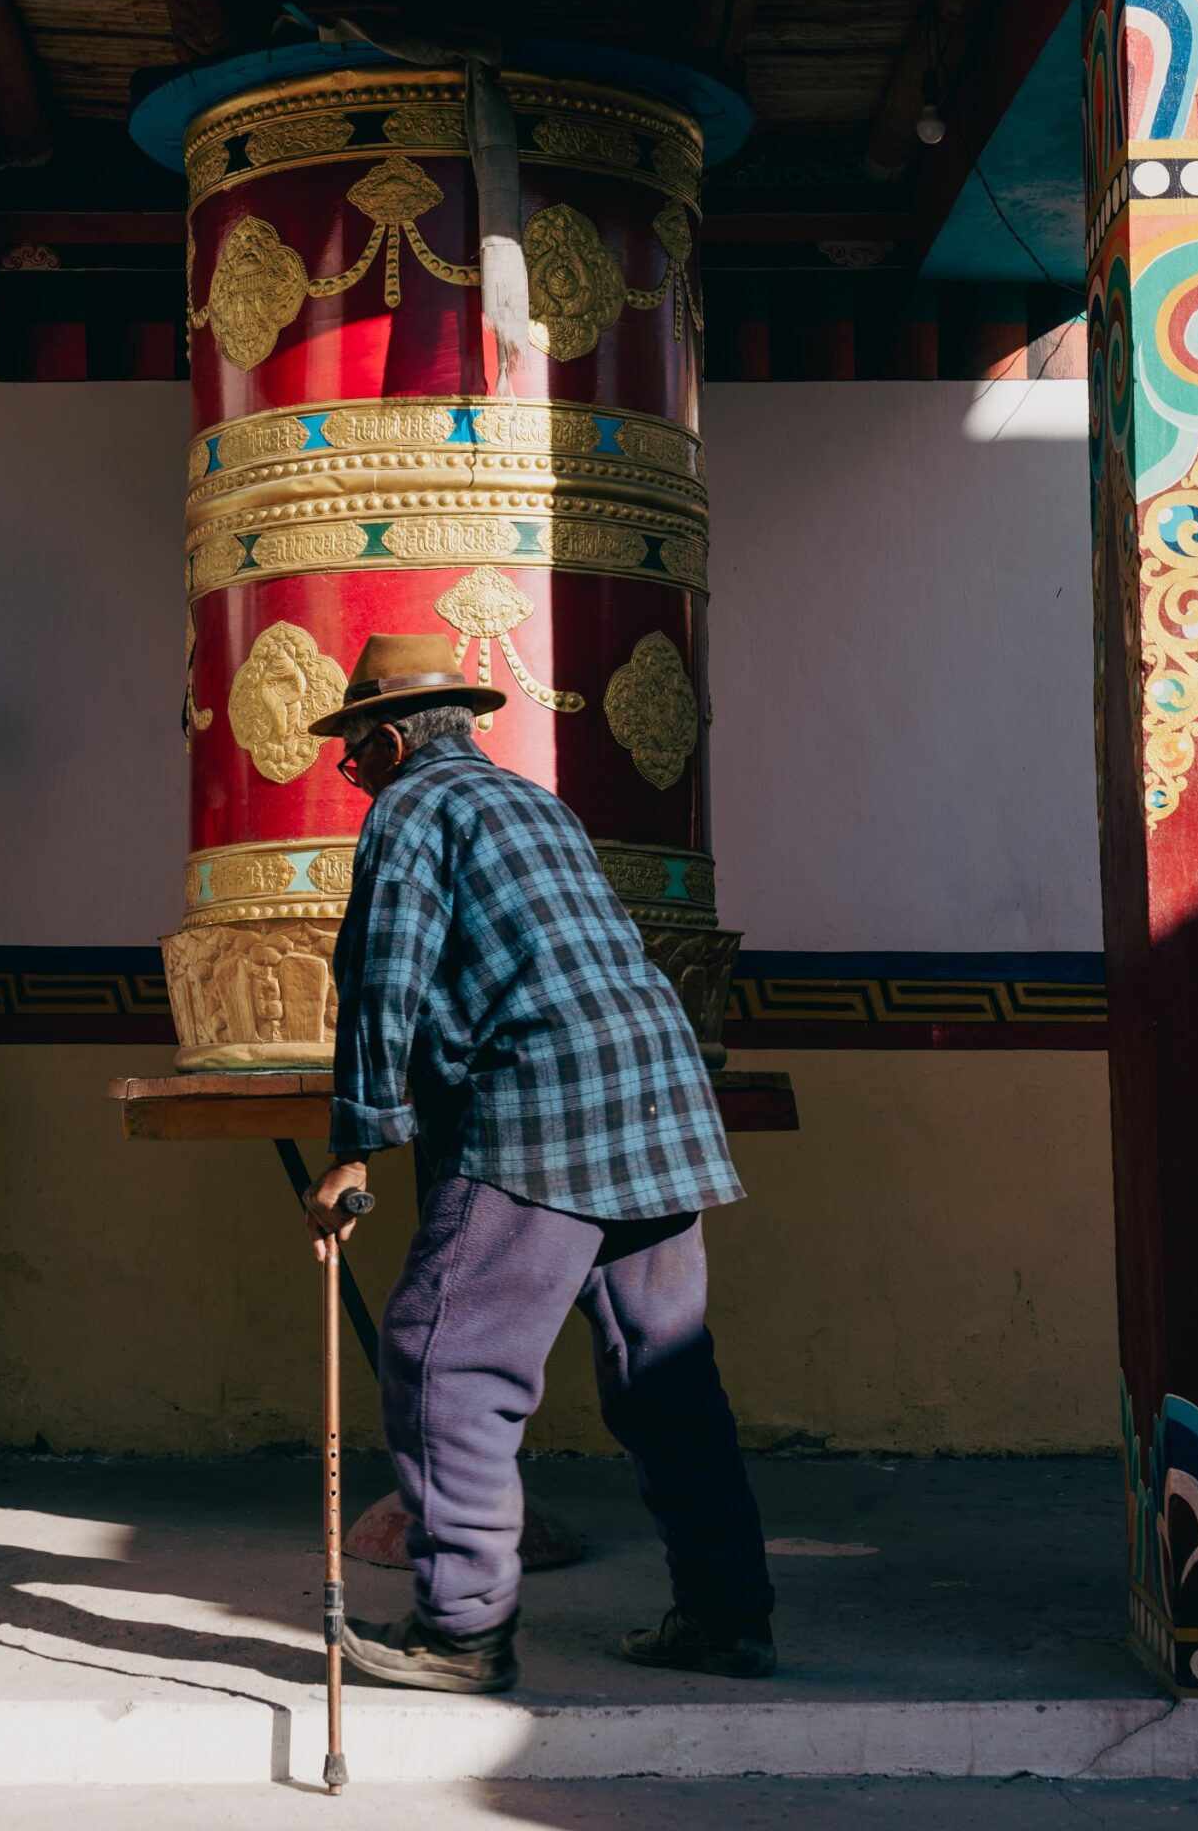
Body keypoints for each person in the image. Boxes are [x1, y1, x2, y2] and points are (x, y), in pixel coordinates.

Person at [303, 631, 775, 1697]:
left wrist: (353, 1145)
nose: (354, 775)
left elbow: (387, 976)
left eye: (353, 753)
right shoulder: (531, 801)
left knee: (441, 1363)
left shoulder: (413, 808)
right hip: (654, 1100)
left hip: (546, 1105)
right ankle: (726, 1618)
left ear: (385, 739)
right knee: (666, 1377)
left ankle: (463, 1631)